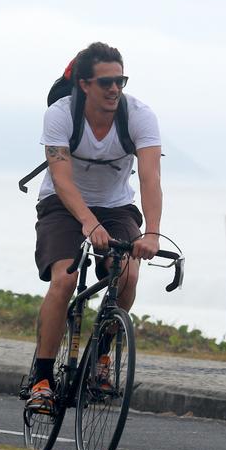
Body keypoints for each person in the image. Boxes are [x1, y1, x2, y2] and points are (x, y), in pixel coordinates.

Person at [27, 42, 163, 412]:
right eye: (106, 82)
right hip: (62, 204)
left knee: (128, 276)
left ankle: (101, 359)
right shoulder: (61, 115)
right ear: (85, 84)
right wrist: (88, 223)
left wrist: (151, 231)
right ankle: (41, 377)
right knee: (65, 280)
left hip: (117, 206)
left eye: (120, 80)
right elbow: (62, 177)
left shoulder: (139, 116)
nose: (114, 89)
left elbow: (150, 178)